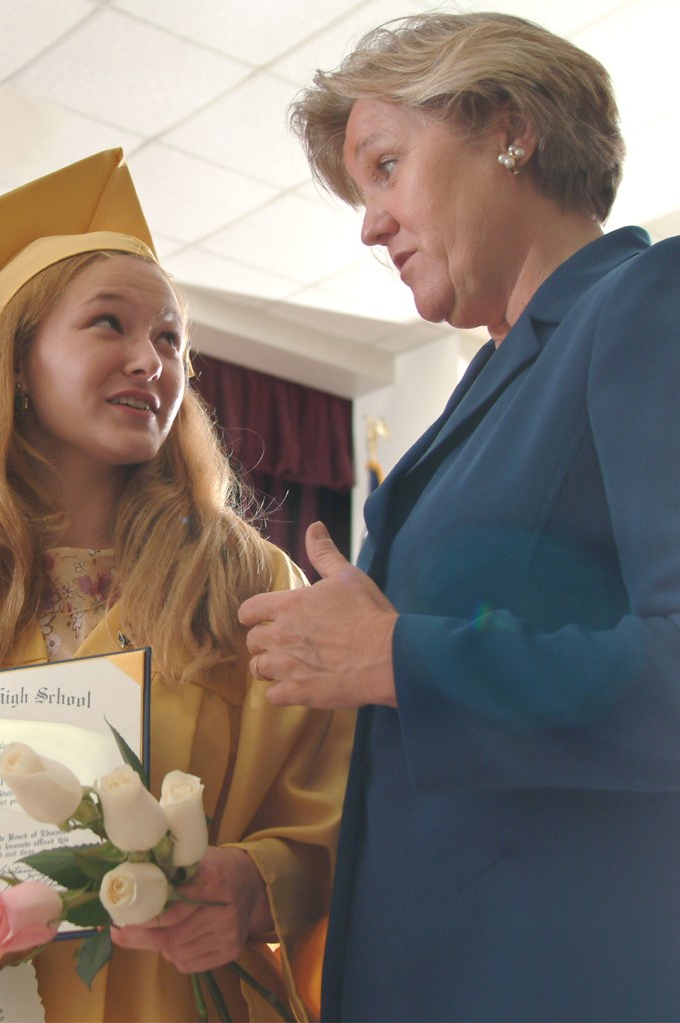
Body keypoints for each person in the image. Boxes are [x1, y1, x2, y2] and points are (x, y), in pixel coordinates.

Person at [0, 149, 352, 1023]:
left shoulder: (241, 584)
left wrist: (258, 884)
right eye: (108, 325)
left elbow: (332, 818)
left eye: (170, 339)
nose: (151, 360)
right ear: (15, 362)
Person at [239, 12, 680, 1022]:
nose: (369, 222)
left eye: (386, 166)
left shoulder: (649, 303)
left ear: (508, 131)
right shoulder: (488, 387)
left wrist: (398, 661)